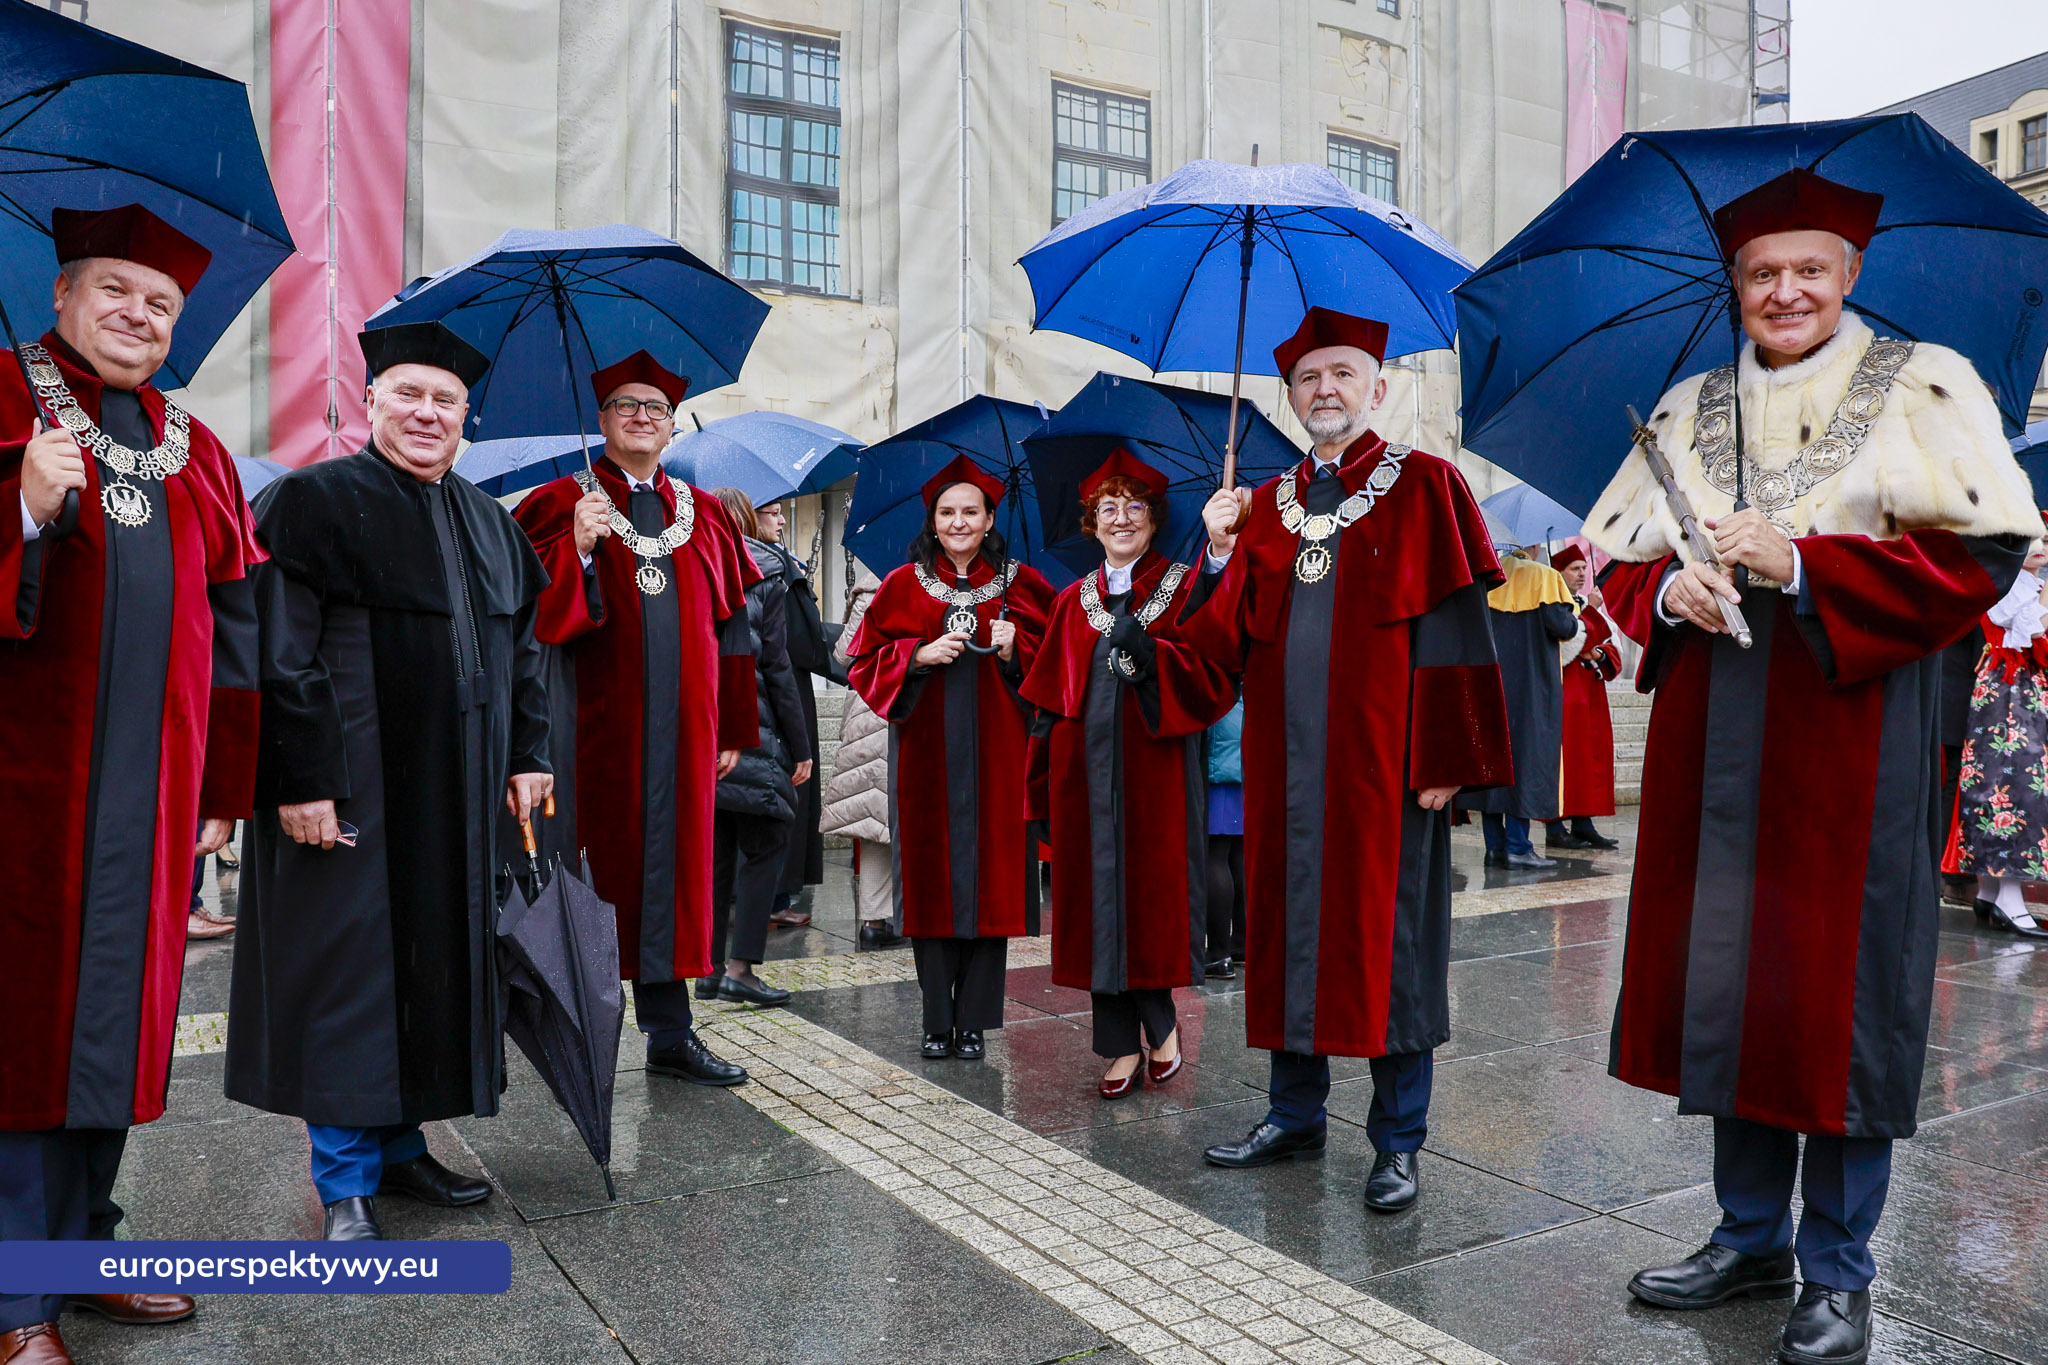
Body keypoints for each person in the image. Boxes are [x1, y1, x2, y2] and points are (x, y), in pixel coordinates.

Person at [1585, 168, 2038, 1365]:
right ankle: (1747, 1236)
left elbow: (1978, 560)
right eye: (1759, 273)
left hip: (1850, 738)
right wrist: (1663, 592)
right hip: (1713, 746)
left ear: (1847, 276)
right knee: (1733, 990)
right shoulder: (1683, 406)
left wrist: (1807, 567)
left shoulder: (1924, 383)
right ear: (1735, 286)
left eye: (1806, 270)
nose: (1782, 291)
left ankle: (1837, 1267)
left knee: (1836, 1005)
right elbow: (1615, 560)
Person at [1, 203, 262, 1358]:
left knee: (120, 1028)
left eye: (159, 304)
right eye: (114, 289)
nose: (136, 314)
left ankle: (85, 1249)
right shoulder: (6, 403)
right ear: (61, 295)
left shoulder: (196, 447)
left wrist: (226, 786)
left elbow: (242, 626)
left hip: (153, 794)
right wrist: (19, 505)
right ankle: (18, 1303)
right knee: (24, 1030)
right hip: (26, 788)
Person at [227, 321, 554, 1243]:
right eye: (407, 393)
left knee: (436, 974)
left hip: (456, 797)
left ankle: (403, 1147)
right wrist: (300, 779)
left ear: (467, 418)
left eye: (445, 400)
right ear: (368, 400)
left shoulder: (491, 524)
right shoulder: (315, 502)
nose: (426, 412)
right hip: (351, 788)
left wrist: (531, 753)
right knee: (349, 979)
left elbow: (526, 655)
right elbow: (279, 652)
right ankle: (344, 1181)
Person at [1187, 306, 1511, 1214]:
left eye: (1341, 374)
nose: (1324, 391)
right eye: (1306, 379)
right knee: (1290, 935)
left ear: (1377, 385)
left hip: (1387, 766)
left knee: (1392, 943)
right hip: (1286, 767)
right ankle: (1294, 1113)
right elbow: (1222, 644)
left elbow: (1456, 630)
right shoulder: (1262, 506)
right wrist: (1218, 553)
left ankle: (1397, 1140)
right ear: (1290, 396)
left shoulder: (1427, 485)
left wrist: (1447, 755)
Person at [511, 351, 758, 1085]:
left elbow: (735, 628)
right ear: (603, 419)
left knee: (675, 876)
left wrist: (737, 729)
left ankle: (671, 1032)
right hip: (591, 731)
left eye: (654, 406)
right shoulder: (559, 503)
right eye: (626, 404)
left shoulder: (706, 511)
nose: (642, 416)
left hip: (686, 733)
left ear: (672, 421)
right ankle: (577, 1026)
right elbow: (525, 620)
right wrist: (576, 551)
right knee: (594, 872)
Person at [1022, 450, 1235, 1098]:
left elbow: (1215, 670)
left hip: (1157, 777)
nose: (1121, 518)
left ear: (1154, 517)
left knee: (1147, 903)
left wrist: (1151, 655)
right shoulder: (1069, 602)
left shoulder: (1182, 585)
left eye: (1134, 505)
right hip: (1084, 782)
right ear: (1091, 520)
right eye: (1107, 507)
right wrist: (1040, 788)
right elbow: (1049, 705)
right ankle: (1117, 1044)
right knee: (1093, 911)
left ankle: (1162, 1022)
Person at [846, 455, 1054, 1060]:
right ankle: (937, 1018)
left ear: (990, 519)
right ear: (932, 521)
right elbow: (861, 662)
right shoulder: (903, 586)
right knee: (934, 885)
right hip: (926, 759)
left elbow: (1059, 669)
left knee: (992, 885)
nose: (959, 522)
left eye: (971, 511)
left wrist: (1020, 649)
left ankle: (975, 1023)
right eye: (947, 512)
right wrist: (916, 654)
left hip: (998, 757)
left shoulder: (1024, 585)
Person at [699, 487, 812, 1002]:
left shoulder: (691, 565)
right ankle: (740, 970)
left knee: (718, 851)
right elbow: (777, 665)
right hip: (758, 733)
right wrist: (802, 745)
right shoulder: (766, 570)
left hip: (704, 730)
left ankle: (706, 967)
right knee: (766, 844)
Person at [1946, 530, 2048, 938]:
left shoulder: (2025, 584)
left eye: (2046, 541)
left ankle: (1991, 891)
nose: (2041, 549)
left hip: (2015, 686)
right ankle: (2006, 895)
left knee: (2004, 780)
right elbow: (2034, 629)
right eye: (2033, 541)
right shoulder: (2007, 584)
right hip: (2009, 689)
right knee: (2012, 783)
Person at [1457, 544, 1575, 869]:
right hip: (1531, 690)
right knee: (1526, 760)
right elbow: (1563, 628)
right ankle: (1519, 846)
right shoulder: (1545, 577)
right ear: (1534, 547)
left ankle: (1494, 847)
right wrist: (1574, 609)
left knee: (1492, 765)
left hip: (1490, 685)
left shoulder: (1484, 577)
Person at [751, 496, 839, 930]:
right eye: (773, 512)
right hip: (783, 692)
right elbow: (800, 644)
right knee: (786, 793)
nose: (782, 519)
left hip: (757, 694)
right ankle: (774, 898)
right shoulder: (773, 570)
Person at [819, 564, 907, 949]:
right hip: (900, 708)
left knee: (874, 821)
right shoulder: (918, 584)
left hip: (867, 709)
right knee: (909, 818)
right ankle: (909, 915)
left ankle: (874, 921)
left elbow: (843, 653)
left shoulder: (869, 586)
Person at [1546, 544, 1622, 850]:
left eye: (1583, 568)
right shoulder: (1553, 605)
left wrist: (1600, 651)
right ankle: (1555, 825)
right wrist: (1590, 615)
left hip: (1591, 691)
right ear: (1559, 573)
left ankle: (1583, 822)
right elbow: (1565, 645)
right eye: (1574, 569)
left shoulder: (1581, 605)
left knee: (1590, 758)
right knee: (1566, 759)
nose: (1582, 574)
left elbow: (1609, 643)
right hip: (1564, 692)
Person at [1204, 699, 1247, 979]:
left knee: (1216, 855)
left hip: (1222, 740)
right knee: (1236, 854)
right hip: (1240, 743)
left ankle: (1218, 954)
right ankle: (1240, 944)